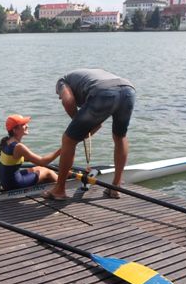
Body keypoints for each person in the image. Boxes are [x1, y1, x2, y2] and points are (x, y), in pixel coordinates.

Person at [42, 68, 136, 200]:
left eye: (59, 95)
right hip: (128, 90)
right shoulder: (85, 78)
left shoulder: (61, 81)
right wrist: (87, 127)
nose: (59, 97)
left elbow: (68, 101)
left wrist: (77, 127)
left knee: (68, 140)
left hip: (103, 91)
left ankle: (59, 190)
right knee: (120, 136)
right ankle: (115, 187)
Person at [0, 114, 61, 190]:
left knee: (37, 168)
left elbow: (32, 161)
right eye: (23, 124)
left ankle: (59, 179)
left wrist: (34, 160)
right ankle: (61, 187)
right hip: (14, 184)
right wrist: (61, 150)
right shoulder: (18, 146)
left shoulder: (6, 141)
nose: (27, 126)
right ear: (15, 130)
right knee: (47, 172)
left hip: (5, 182)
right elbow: (43, 162)